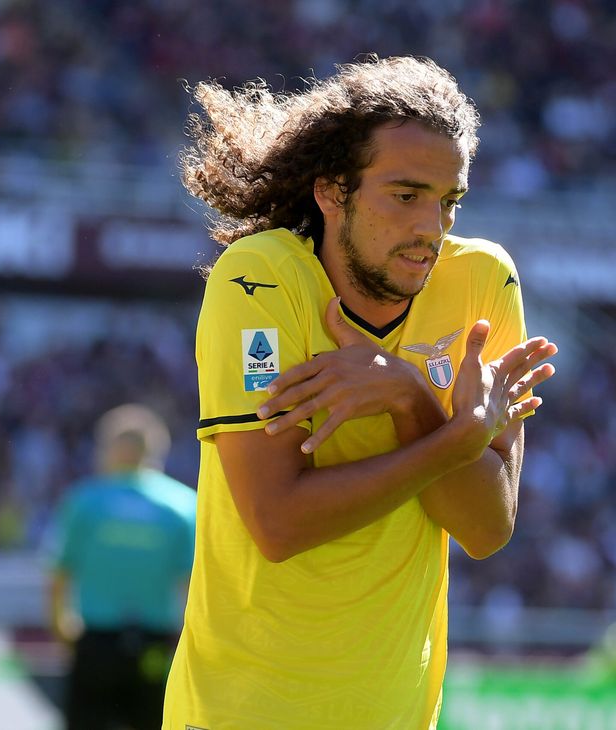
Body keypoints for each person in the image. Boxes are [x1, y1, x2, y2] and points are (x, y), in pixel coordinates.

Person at [161, 56, 559, 729]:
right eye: (405, 196)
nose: (432, 226)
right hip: (241, 714)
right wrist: (453, 439)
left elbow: (487, 527)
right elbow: (279, 522)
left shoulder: (483, 281)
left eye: (449, 200)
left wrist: (410, 401)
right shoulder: (260, 279)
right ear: (331, 192)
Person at [48, 403, 197, 730]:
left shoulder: (84, 500)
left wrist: (62, 628)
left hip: (95, 642)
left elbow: (58, 574)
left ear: (109, 449)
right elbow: (192, 586)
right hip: (154, 646)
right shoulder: (184, 505)